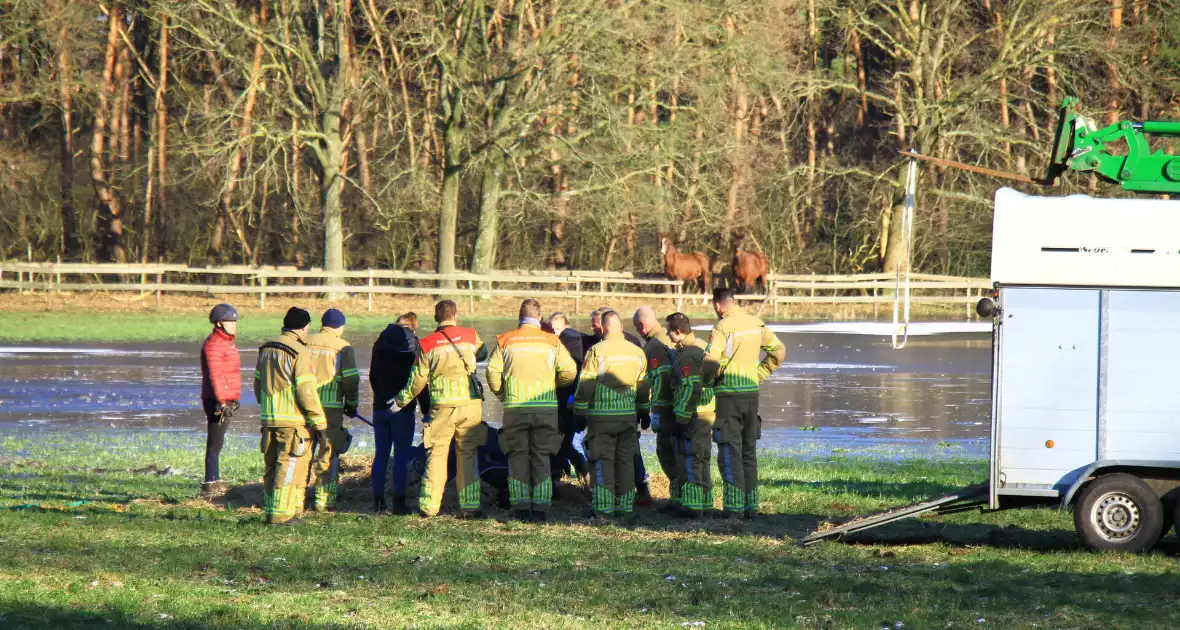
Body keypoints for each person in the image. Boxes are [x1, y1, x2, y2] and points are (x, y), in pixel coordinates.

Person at [390, 300, 488, 518]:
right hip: (470, 405)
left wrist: (400, 402)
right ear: (456, 315)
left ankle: (429, 507)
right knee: (468, 454)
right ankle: (470, 506)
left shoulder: (426, 344)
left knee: (437, 455)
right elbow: (483, 354)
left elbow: (417, 380)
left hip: (442, 407)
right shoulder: (471, 335)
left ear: (436, 317)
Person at [486, 299, 578, 522]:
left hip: (515, 408)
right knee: (541, 456)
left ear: (519, 316)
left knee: (517, 456)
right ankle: (541, 508)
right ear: (540, 317)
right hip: (545, 409)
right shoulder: (552, 341)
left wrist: (502, 395)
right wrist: (553, 385)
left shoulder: (506, 340)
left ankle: (520, 507)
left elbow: (491, 373)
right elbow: (570, 371)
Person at [705, 287, 786, 519]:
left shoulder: (722, 327)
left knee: (730, 451)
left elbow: (711, 360)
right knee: (748, 451)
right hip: (751, 396)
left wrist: (707, 380)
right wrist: (759, 374)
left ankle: (734, 509)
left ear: (718, 305)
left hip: (728, 397)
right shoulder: (756, 324)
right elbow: (779, 351)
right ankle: (751, 507)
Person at [254, 307, 328, 525]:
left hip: (269, 419)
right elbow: (306, 392)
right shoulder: (300, 352)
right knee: (288, 466)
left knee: (271, 465)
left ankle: (272, 509)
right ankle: (281, 516)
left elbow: (258, 386)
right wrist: (319, 422)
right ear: (304, 328)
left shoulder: (266, 349)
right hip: (292, 421)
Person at [574, 310, 650, 519]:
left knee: (602, 461)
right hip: (628, 418)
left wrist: (579, 411)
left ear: (604, 328)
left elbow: (586, 384)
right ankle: (625, 508)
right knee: (625, 462)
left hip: (601, 419)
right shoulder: (637, 352)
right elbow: (643, 387)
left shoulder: (597, 351)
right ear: (622, 327)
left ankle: (604, 509)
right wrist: (644, 411)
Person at [369, 312, 431, 514]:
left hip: (380, 407)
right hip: (403, 409)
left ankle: (378, 503)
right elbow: (418, 381)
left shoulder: (380, 341)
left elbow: (372, 375)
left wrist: (379, 397)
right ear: (413, 326)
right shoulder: (413, 344)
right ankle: (399, 503)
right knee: (401, 456)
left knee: (381, 456)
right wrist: (426, 410)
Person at [305, 308, 360, 512]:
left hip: (304, 405)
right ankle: (324, 499)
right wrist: (352, 404)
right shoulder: (342, 347)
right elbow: (351, 379)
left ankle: (298, 496)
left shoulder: (305, 342)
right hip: (330, 408)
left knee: (303, 451)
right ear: (340, 326)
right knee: (328, 452)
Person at [667, 312, 719, 518]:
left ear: (678, 331)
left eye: (669, 331)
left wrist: (682, 416)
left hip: (694, 416)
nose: (667, 335)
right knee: (702, 458)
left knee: (691, 459)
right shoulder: (700, 346)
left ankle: (692, 508)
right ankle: (705, 504)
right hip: (705, 413)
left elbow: (690, 386)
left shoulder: (688, 353)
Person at [633, 306, 680, 512]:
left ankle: (677, 499)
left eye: (637, 328)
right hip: (680, 405)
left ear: (642, 326)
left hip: (667, 408)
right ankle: (680, 496)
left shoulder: (653, 346)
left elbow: (659, 379)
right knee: (680, 452)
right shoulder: (668, 337)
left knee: (667, 453)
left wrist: (656, 410)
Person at [200, 303, 241, 499]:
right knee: (215, 442)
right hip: (217, 399)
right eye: (230, 321)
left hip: (226, 398)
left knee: (219, 441)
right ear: (218, 323)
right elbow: (215, 375)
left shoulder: (226, 342)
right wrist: (223, 402)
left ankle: (215, 479)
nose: (234, 325)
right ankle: (210, 482)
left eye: (235, 321)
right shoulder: (214, 345)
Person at [548, 312, 588, 486]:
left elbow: (573, 371)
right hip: (568, 399)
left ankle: (584, 474)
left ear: (567, 325)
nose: (554, 332)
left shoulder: (569, 340)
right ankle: (569, 474)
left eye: (557, 328)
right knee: (562, 442)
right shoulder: (573, 339)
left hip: (567, 400)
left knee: (563, 443)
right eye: (552, 329)